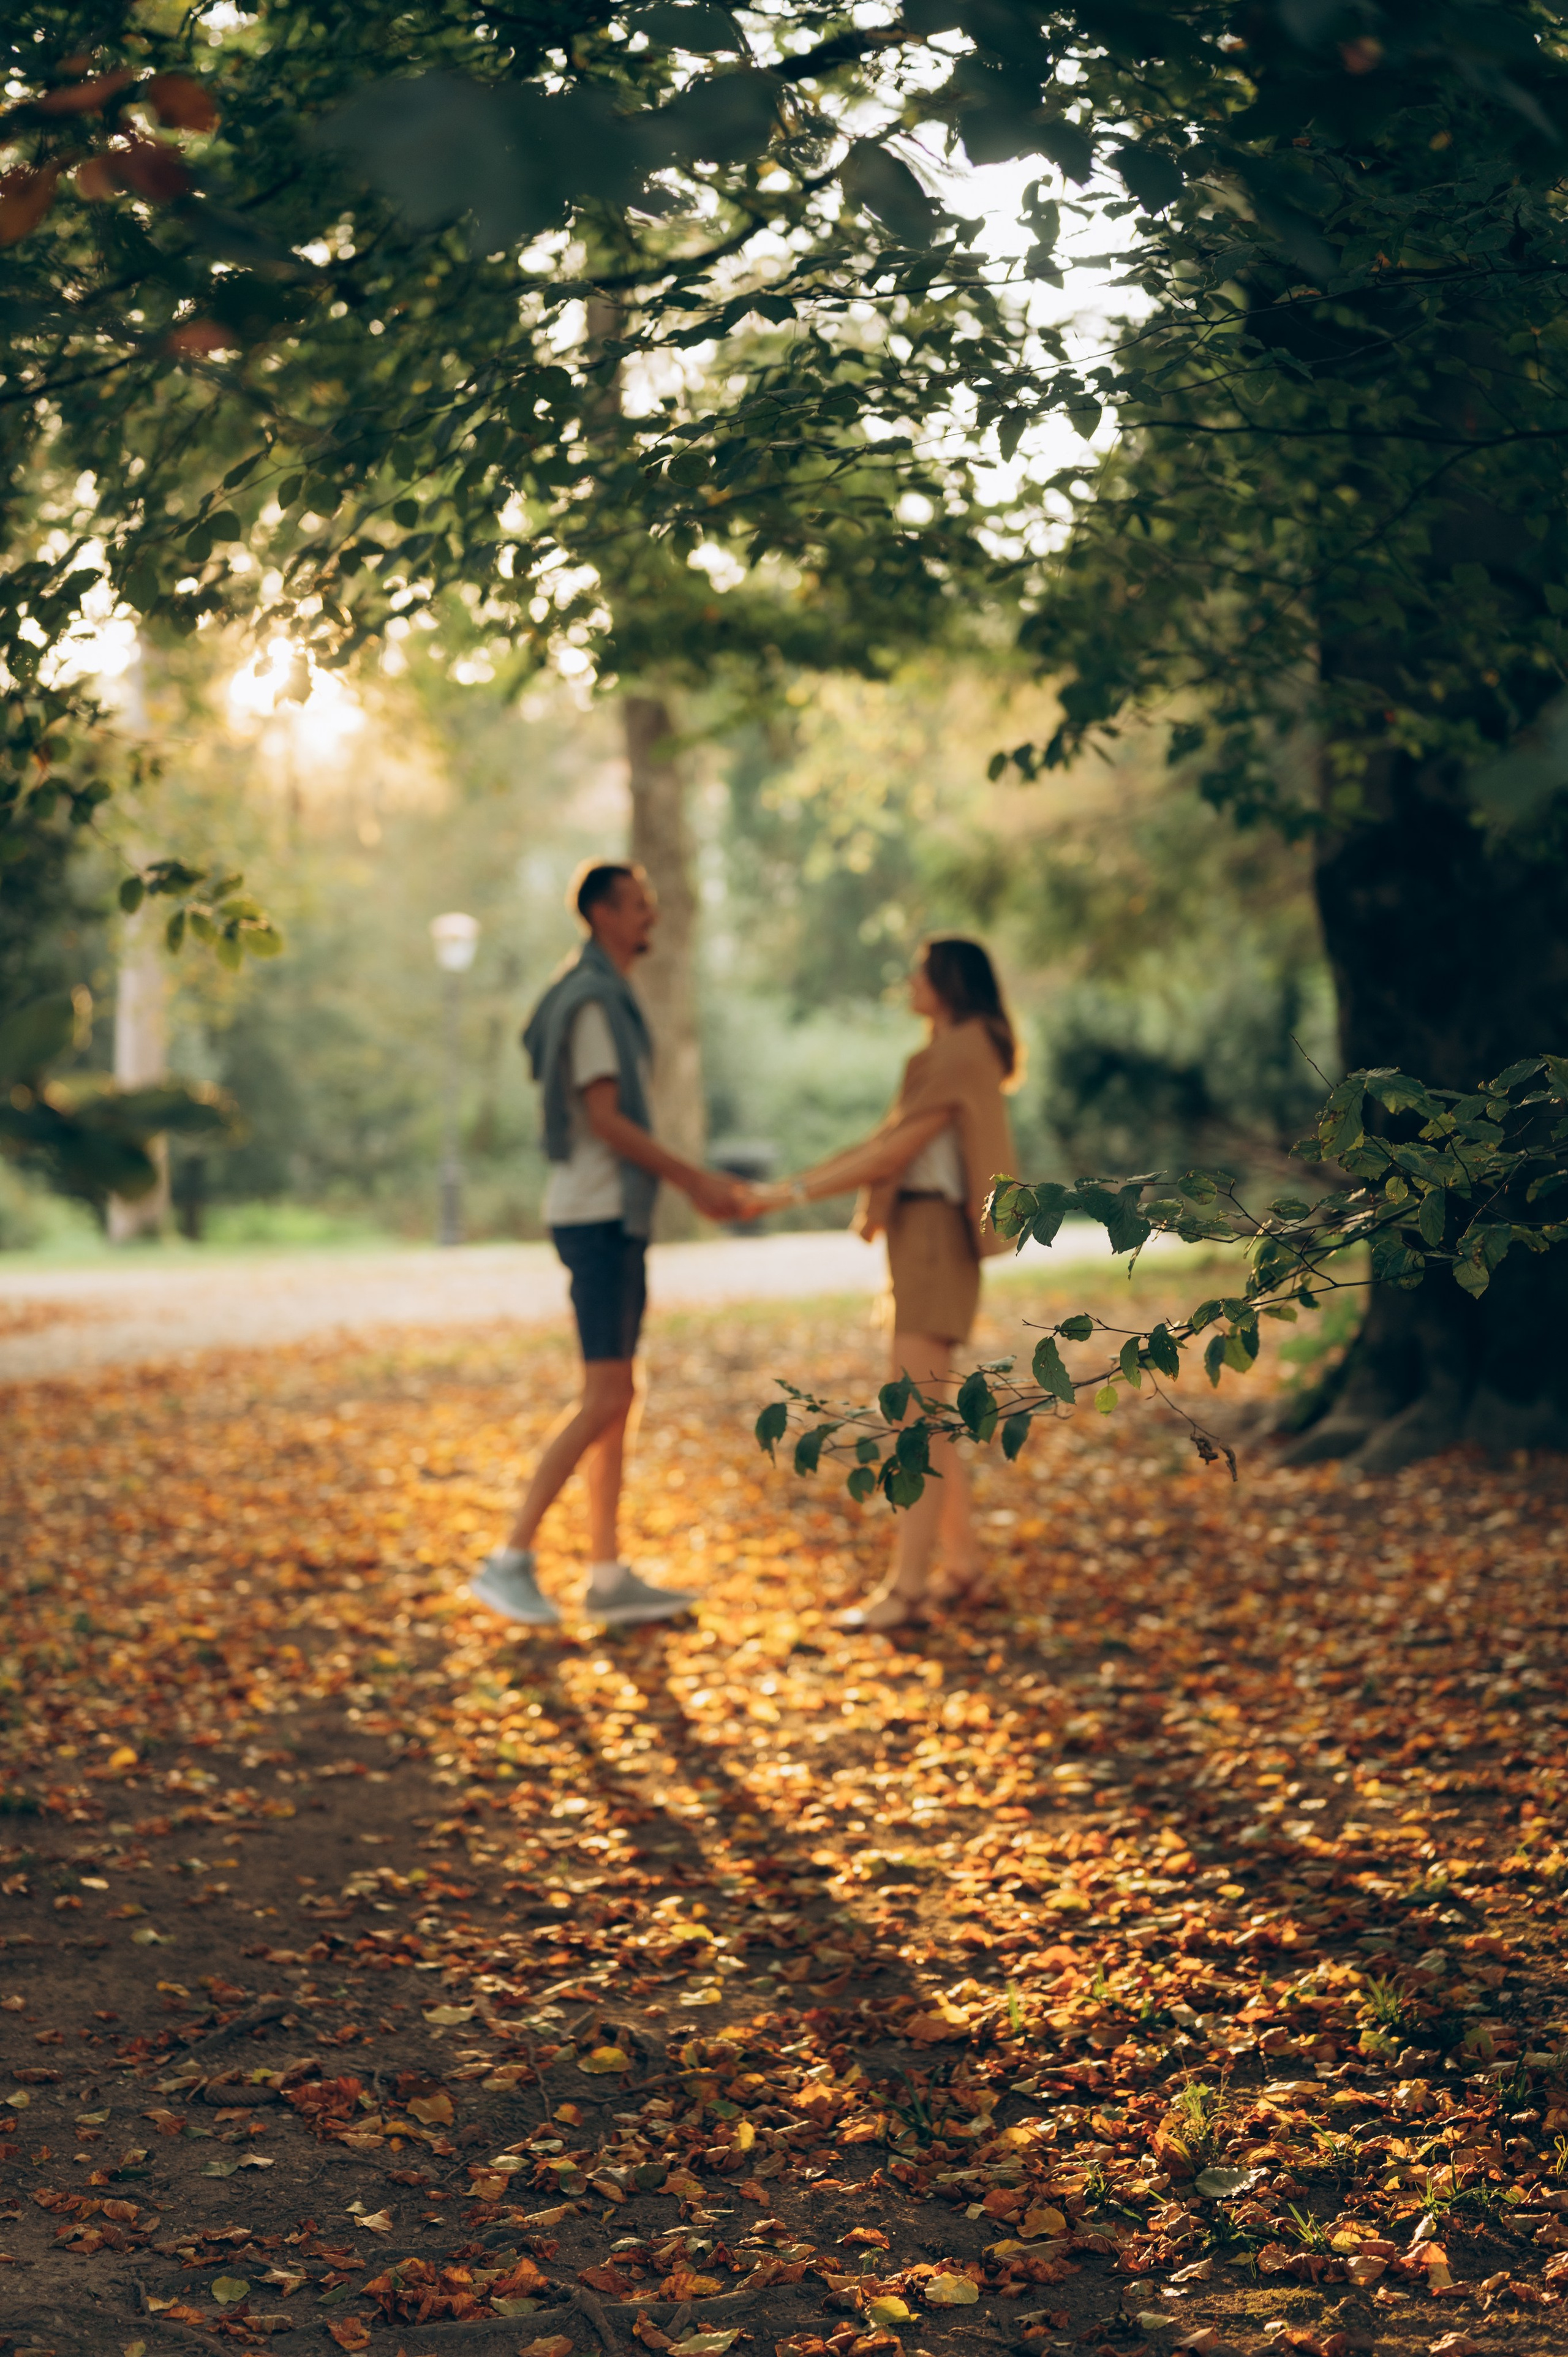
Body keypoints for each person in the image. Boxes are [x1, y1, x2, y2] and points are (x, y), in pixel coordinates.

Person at [471, 861, 752, 1629]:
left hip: (609, 1218)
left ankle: (605, 1570)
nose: (650, 917)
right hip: (596, 1218)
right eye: (638, 905)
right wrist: (694, 1179)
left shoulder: (605, 995)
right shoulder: (594, 1003)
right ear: (600, 914)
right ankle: (509, 1559)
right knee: (606, 1394)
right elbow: (607, 1120)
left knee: (620, 1395)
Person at [751, 937, 1020, 1632]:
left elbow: (892, 1151)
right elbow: (885, 1143)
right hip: (921, 1237)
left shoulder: (959, 1051)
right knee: (924, 1412)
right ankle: (961, 1568)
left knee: (916, 1420)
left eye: (920, 971)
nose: (910, 981)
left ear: (949, 982)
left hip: (933, 1238)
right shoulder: (951, 1052)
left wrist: (779, 1197)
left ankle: (906, 1589)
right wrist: (783, 1192)